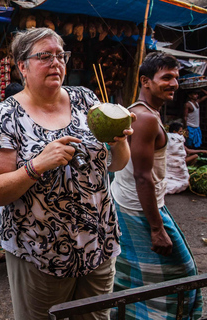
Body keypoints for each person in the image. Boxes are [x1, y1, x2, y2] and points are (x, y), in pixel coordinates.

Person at [0, 27, 132, 320]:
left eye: (61, 55)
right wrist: (37, 165)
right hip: (40, 252)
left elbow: (115, 164)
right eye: (45, 56)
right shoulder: (3, 116)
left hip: (96, 244)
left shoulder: (86, 99)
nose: (56, 62)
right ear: (22, 66)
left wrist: (120, 141)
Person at [111, 52, 203, 319]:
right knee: (182, 274)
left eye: (176, 77)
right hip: (139, 210)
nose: (174, 83)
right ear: (145, 81)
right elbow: (142, 176)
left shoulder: (138, 112)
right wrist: (156, 228)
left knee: (132, 274)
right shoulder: (146, 119)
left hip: (129, 204)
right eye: (166, 77)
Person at [0, 81, 24, 265]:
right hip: (12, 180)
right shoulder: (2, 114)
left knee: (1, 215)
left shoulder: (6, 114)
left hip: (12, 179)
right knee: (3, 213)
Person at [165, 122, 207, 195]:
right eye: (180, 131)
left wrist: (203, 151)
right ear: (174, 131)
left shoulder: (168, 139)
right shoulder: (176, 139)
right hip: (176, 163)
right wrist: (203, 151)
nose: (182, 133)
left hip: (170, 164)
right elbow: (189, 151)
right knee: (195, 156)